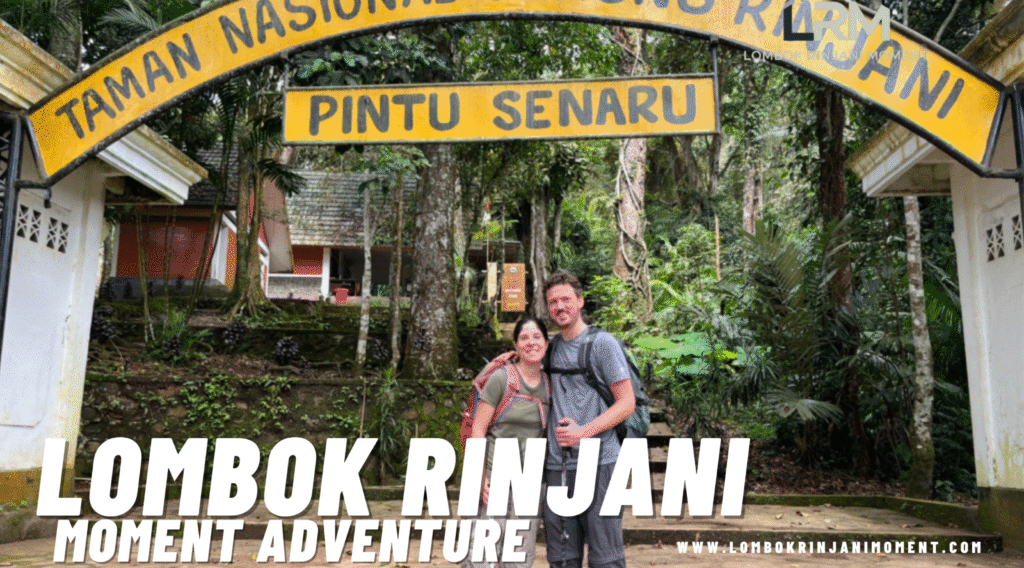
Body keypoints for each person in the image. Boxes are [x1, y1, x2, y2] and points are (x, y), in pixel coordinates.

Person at [542, 272, 634, 568]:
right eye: (553, 302)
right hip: (559, 465)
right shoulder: (550, 348)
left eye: (566, 299)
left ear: (580, 301)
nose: (560, 306)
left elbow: (627, 403)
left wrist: (583, 433)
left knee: (605, 557)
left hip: (601, 462)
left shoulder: (602, 344)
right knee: (562, 558)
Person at [464, 316, 551, 568]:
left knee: (519, 556)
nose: (531, 342)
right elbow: (477, 430)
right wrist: (480, 478)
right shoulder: (501, 379)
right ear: (515, 344)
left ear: (546, 343)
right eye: (524, 337)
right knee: (481, 554)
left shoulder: (550, 384)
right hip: (494, 476)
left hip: (528, 481)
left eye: (537, 337)